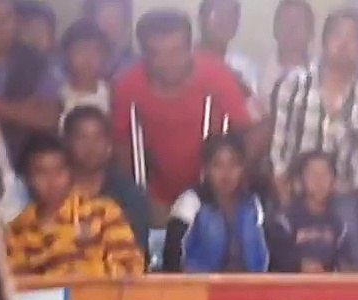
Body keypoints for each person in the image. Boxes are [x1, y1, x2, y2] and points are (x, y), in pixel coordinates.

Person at [270, 8, 358, 271]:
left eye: (353, 38)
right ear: (323, 41)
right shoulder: (293, 86)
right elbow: (279, 157)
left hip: (344, 197)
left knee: (356, 232)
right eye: (337, 36)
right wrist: (291, 210)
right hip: (297, 195)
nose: (344, 45)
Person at [112, 9, 251, 222]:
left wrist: (229, 185)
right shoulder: (128, 86)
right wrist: (134, 194)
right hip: (156, 192)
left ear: (190, 48)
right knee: (158, 248)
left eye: (177, 52)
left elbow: (245, 131)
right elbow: (122, 144)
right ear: (144, 54)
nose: (169, 63)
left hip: (209, 191)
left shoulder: (217, 75)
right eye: (157, 53)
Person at [8, 133, 144, 277]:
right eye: (41, 172)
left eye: (59, 170)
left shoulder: (102, 212)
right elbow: (18, 287)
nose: (52, 180)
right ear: (27, 179)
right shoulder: (17, 230)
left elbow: (131, 268)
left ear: (71, 172)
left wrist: (89, 254)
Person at [163, 134, 273, 273]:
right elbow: (171, 257)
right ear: (207, 169)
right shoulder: (190, 201)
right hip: (200, 289)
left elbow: (267, 253)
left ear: (242, 168)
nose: (226, 173)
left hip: (248, 288)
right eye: (218, 165)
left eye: (233, 164)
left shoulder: (253, 204)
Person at [0, 0, 62, 159]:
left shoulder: (37, 62)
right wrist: (23, 111)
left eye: (7, 17)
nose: (0, 25)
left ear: (17, 21)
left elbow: (48, 118)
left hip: (24, 160)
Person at [63, 106, 152, 255]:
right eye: (82, 137)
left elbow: (134, 251)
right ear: (66, 143)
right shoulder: (53, 190)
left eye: (98, 138)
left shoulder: (130, 195)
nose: (91, 146)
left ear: (109, 145)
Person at [278, 150, 358, 272]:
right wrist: (298, 265)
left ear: (333, 181)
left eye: (325, 174)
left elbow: (346, 260)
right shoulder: (284, 221)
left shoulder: (339, 223)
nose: (319, 181)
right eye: (312, 174)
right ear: (300, 180)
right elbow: (278, 257)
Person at [196, 0, 259, 100]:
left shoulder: (245, 68)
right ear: (201, 18)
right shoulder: (180, 62)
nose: (224, 21)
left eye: (231, 16)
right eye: (218, 14)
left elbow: (253, 111)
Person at [261, 0, 316, 103]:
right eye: (285, 22)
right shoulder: (256, 77)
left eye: (297, 23)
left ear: (310, 32)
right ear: (274, 28)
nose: (291, 29)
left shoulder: (320, 78)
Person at [59, 19, 112, 120]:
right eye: (80, 50)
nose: (88, 58)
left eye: (95, 51)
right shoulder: (58, 95)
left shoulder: (112, 95)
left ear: (105, 56)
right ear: (66, 55)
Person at [85, 0, 138, 77]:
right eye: (103, 14)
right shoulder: (70, 63)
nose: (109, 22)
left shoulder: (136, 66)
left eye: (116, 15)